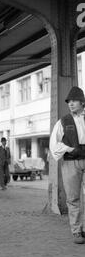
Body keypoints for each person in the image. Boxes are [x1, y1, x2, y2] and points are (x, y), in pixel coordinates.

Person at [50, 86, 85, 244]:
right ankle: (77, 231)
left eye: (74, 101)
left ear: (82, 102)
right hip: (70, 162)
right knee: (73, 197)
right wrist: (69, 149)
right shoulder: (63, 121)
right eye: (68, 101)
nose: (70, 104)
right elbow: (54, 144)